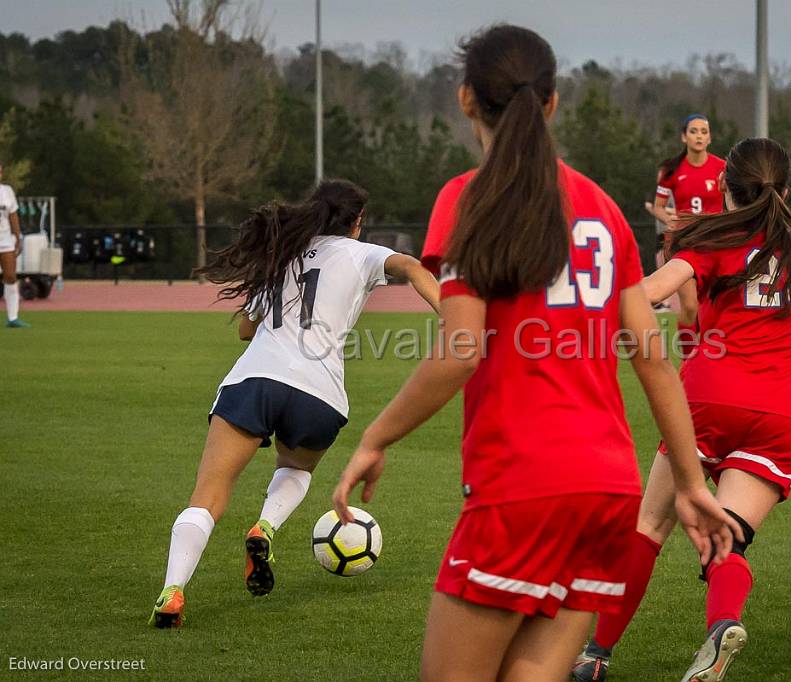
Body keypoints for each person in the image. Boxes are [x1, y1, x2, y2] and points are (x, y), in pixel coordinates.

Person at [332, 25, 741, 682]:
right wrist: (691, 483)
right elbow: (655, 359)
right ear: (552, 104)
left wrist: (374, 438)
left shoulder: (469, 196)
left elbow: (461, 349)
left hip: (521, 487)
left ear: (467, 100)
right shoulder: (605, 210)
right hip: (609, 491)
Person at [573, 138, 791, 682]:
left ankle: (595, 657)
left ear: (724, 189)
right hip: (784, 412)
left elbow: (653, 289)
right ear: (786, 191)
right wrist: (781, 351)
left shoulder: (711, 238)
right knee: (728, 535)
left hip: (708, 398)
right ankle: (722, 624)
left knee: (648, 528)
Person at [148, 180, 441, 628]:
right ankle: (265, 527)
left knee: (207, 496)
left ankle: (172, 591)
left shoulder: (282, 252)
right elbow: (414, 268)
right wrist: (453, 316)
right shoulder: (362, 254)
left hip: (255, 380)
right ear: (357, 221)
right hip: (318, 393)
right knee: (297, 468)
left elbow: (246, 330)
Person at [645, 115, 726, 345]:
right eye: (693, 131)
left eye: (703, 131)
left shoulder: (722, 168)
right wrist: (668, 221)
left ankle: (708, 359)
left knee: (712, 306)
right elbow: (660, 207)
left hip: (715, 243)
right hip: (684, 242)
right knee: (690, 306)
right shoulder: (672, 170)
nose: (699, 136)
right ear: (684, 136)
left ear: (709, 138)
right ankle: (688, 364)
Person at [0, 161, 29, 328]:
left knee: (10, 276)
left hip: (5, 240)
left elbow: (13, 215)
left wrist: (18, 237)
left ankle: (12, 318)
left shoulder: (7, 191)